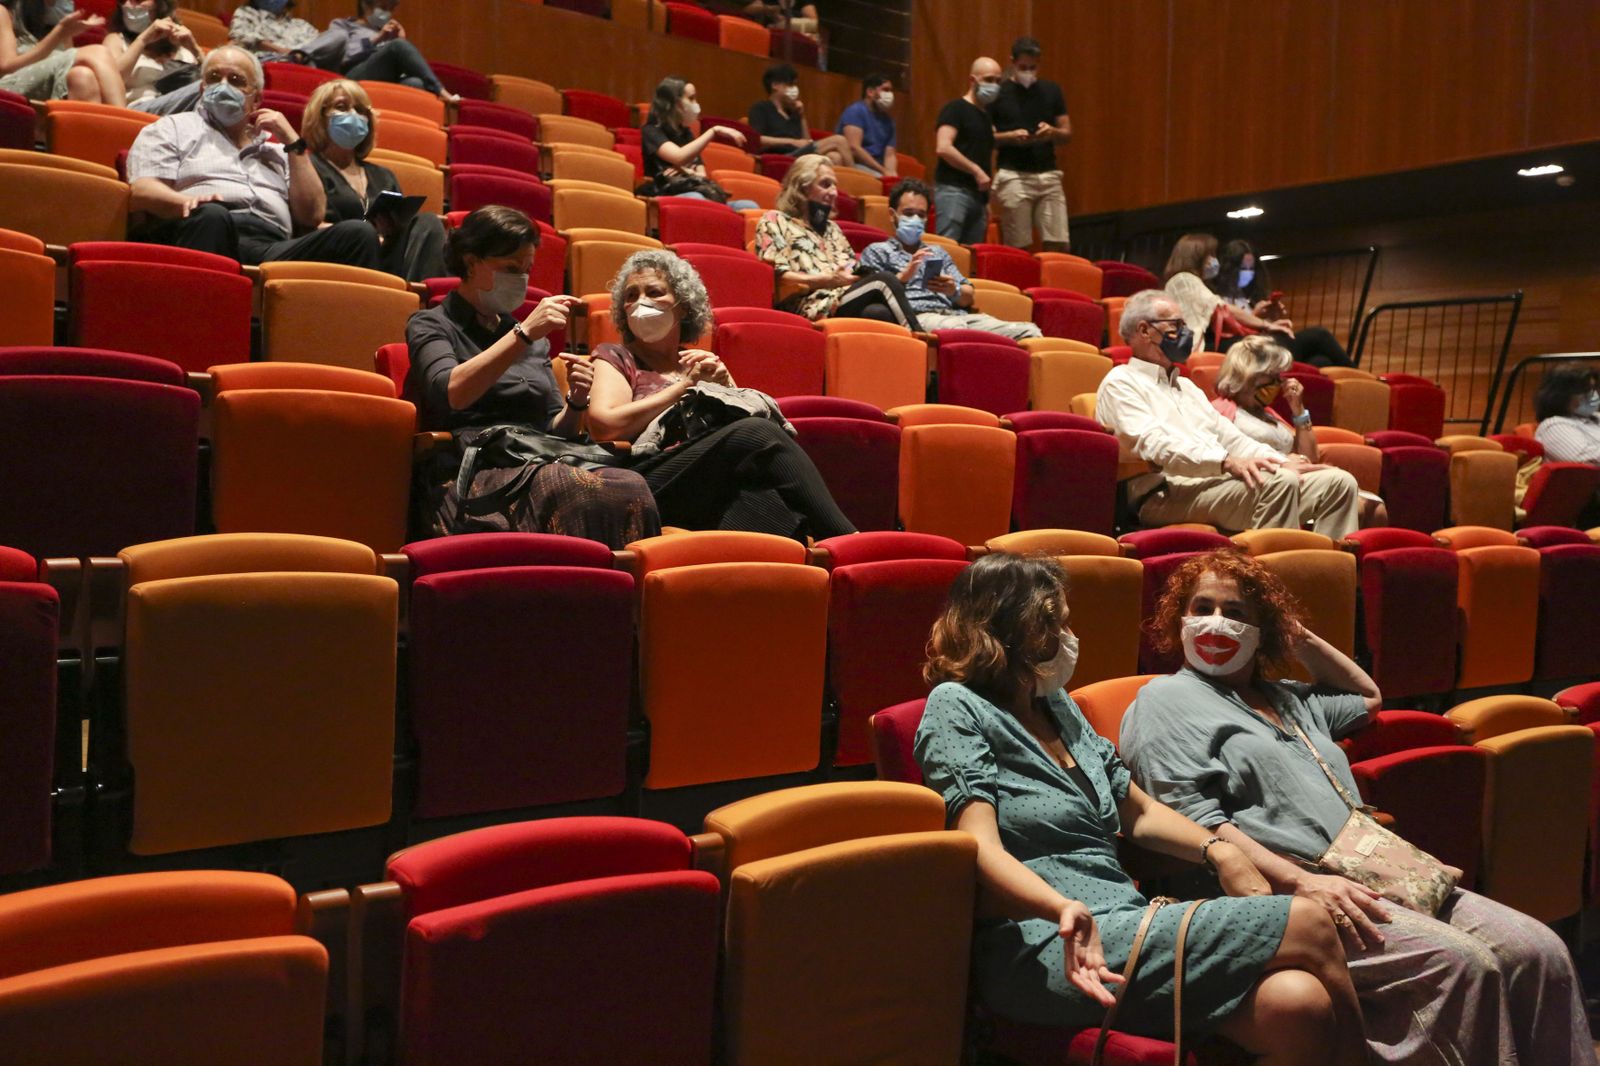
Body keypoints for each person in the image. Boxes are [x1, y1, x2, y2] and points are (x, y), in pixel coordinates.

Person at [1119, 549, 1592, 1064]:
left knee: (1536, 950)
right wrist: (1302, 882)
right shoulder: (1164, 701)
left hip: (1373, 872)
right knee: (1464, 965)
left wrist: (1293, 634)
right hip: (1283, 890)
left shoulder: (1288, 698)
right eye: (1201, 607)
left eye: (1236, 614)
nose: (1215, 624)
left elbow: (1367, 696)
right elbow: (1194, 821)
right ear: (1178, 617)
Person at [913, 552, 1369, 1064]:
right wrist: (1059, 907)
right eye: (1057, 623)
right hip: (1045, 940)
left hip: (1123, 918)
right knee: (1306, 920)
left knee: (1296, 1005)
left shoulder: (1055, 703)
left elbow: (1140, 812)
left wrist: (1220, 851)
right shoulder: (956, 706)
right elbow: (979, 846)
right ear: (1017, 631)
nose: (1068, 635)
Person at [405, 205, 659, 548]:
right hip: (471, 471)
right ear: (470, 262)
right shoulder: (432, 324)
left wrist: (577, 401)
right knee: (569, 486)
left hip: (534, 460)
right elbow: (450, 392)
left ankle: (619, 596)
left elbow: (555, 430)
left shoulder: (530, 340)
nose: (522, 280)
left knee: (631, 483)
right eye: (510, 268)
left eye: (526, 269)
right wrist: (522, 335)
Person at [585, 249, 856, 541]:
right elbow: (605, 425)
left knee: (781, 515)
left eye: (654, 292)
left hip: (706, 485)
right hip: (646, 479)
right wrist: (682, 388)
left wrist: (726, 384)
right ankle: (848, 540)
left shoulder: (695, 361)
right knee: (757, 434)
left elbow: (733, 431)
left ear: (684, 306)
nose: (641, 303)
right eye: (631, 296)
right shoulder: (615, 356)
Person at [1095, 290, 1361, 537]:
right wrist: (1225, 461)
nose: (1186, 333)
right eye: (1176, 326)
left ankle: (1326, 578)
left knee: (1338, 483)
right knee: (1279, 483)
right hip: (1161, 492)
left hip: (1212, 482)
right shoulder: (1121, 383)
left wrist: (1279, 460)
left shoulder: (1186, 387)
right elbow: (1156, 444)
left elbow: (1231, 437)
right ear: (1145, 330)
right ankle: (1277, 580)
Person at [126, 44, 382, 268]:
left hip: (271, 245)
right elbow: (142, 190)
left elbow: (312, 214)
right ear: (202, 89)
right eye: (214, 78)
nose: (223, 86)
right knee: (213, 216)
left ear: (257, 98)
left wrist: (293, 143)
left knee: (359, 233)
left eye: (236, 80)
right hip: (203, 229)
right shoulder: (172, 127)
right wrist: (185, 202)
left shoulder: (277, 150)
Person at [1213, 337, 1385, 527]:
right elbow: (1228, 460)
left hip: (1298, 477)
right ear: (1248, 375)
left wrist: (1298, 410)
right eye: (1272, 376)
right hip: (1267, 484)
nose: (1279, 383)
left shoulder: (1269, 414)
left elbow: (1309, 456)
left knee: (1376, 510)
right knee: (1358, 506)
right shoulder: (1222, 411)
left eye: (1280, 376)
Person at [857, 179, 1040, 341]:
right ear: (892, 214)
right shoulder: (877, 251)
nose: (915, 219)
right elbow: (869, 296)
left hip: (958, 315)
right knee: (960, 332)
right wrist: (903, 277)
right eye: (908, 213)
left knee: (1029, 331)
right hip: (918, 317)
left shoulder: (938, 253)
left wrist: (954, 290)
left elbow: (968, 296)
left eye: (921, 215)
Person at [302, 77, 445, 281]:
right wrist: (366, 233)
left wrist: (389, 230)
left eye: (360, 110)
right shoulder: (307, 166)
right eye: (341, 107)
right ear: (320, 116)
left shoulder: (384, 175)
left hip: (384, 259)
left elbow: (398, 230)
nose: (353, 115)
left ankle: (418, 302)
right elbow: (303, 223)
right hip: (335, 257)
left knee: (429, 222)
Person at [754, 155, 921, 328]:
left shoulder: (833, 229)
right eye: (825, 184)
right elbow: (777, 277)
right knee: (884, 280)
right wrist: (826, 279)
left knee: (878, 313)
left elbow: (849, 267)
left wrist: (856, 275)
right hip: (808, 305)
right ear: (802, 187)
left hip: (843, 297)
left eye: (834, 185)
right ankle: (921, 338)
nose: (834, 192)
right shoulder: (774, 220)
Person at [988, 36, 1071, 253]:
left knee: (1058, 242)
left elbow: (1067, 133)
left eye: (1032, 67)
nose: (1028, 72)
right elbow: (986, 137)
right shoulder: (999, 94)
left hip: (1048, 174)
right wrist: (1010, 137)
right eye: (1023, 67)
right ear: (1012, 62)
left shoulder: (1051, 90)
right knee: (1018, 246)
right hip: (1014, 175)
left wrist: (1051, 132)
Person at [1213, 240, 1351, 368]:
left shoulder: (1249, 296)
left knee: (1320, 361)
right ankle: (1368, 382)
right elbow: (1233, 331)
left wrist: (1270, 317)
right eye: (1243, 268)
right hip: (1247, 350)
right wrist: (1256, 318)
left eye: (1251, 268)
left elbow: (1263, 328)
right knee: (1320, 335)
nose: (1248, 273)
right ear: (1229, 268)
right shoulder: (1214, 297)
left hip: (1265, 345)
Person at [300, 0, 458, 106]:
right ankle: (442, 92)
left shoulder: (389, 35)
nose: (387, 13)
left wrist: (398, 40)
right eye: (383, 7)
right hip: (352, 77)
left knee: (417, 83)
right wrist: (378, 39)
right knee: (398, 46)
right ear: (365, 5)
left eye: (391, 9)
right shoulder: (343, 25)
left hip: (386, 80)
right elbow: (344, 56)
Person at [639, 76, 759, 211]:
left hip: (695, 191)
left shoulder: (686, 133)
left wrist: (684, 170)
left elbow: (702, 175)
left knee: (749, 206)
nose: (695, 103)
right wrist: (714, 131)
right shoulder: (651, 131)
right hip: (666, 193)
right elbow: (679, 156)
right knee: (696, 199)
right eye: (691, 98)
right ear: (676, 103)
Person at [1164, 233, 1293, 356]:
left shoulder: (1195, 283)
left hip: (1209, 344)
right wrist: (1265, 323)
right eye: (1211, 255)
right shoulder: (1183, 280)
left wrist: (1265, 319)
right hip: (1195, 347)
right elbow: (1222, 309)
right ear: (1196, 257)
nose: (1214, 261)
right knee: (1277, 343)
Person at [933, 56, 1000, 246]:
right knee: (947, 249)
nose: (994, 85)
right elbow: (943, 147)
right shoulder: (956, 108)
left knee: (970, 257)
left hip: (978, 198)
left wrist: (986, 201)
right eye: (988, 79)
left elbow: (985, 158)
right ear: (973, 80)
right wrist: (976, 171)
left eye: (997, 81)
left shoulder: (986, 118)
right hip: (953, 190)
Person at [0, 0, 125, 102]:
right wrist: (57, 35)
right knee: (99, 52)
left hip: (48, 81)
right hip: (10, 84)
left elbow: (67, 61)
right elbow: (6, 67)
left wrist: (65, 33)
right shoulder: (4, 11)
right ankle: (128, 128)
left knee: (82, 76)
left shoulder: (59, 14)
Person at [746, 62, 849, 168]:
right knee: (839, 140)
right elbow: (757, 139)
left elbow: (807, 142)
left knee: (835, 157)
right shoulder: (760, 108)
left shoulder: (793, 112)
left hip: (799, 156)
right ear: (775, 85)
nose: (794, 89)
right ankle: (864, 182)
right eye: (790, 85)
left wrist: (802, 116)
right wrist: (792, 142)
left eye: (795, 85)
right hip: (778, 157)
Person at [104, 0, 199, 108]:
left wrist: (195, 48)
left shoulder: (181, 44)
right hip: (139, 108)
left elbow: (211, 81)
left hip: (180, 110)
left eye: (138, 0)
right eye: (123, 0)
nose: (128, 5)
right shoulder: (116, 40)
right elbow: (111, 81)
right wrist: (143, 40)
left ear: (160, 4)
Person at [1533, 365, 1600, 465]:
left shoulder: (1596, 417)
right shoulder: (1554, 425)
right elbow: (1586, 458)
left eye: (1593, 389)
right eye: (1584, 391)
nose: (1593, 395)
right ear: (1561, 396)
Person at [834, 71, 895, 176]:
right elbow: (854, 148)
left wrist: (892, 174)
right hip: (856, 164)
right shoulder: (856, 111)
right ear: (870, 92)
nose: (890, 94)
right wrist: (883, 171)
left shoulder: (889, 121)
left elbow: (889, 155)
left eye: (890, 90)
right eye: (885, 90)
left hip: (877, 168)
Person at [227, 0, 319, 58]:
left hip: (305, 64)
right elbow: (240, 37)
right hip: (267, 62)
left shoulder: (302, 25)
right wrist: (281, 50)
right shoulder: (246, 13)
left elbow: (320, 46)